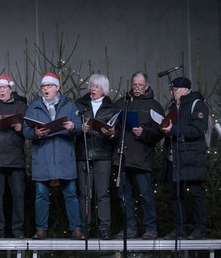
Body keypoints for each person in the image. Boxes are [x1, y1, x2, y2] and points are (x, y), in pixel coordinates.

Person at [23, 72, 84, 240]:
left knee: (70, 193)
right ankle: (41, 229)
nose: (45, 89)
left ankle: (76, 229)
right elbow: (26, 130)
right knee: (41, 195)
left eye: (49, 86)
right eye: (43, 86)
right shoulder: (34, 107)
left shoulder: (69, 106)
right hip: (43, 156)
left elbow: (79, 127)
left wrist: (72, 127)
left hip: (64, 156)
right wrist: (35, 133)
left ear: (57, 88)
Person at [112, 71, 165, 240]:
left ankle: (151, 228)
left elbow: (161, 132)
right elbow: (114, 126)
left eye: (140, 85)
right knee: (124, 196)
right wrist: (112, 132)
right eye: (134, 85)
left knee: (146, 196)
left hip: (143, 158)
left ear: (147, 86)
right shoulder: (121, 103)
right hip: (123, 158)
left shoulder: (154, 106)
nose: (136, 88)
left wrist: (144, 133)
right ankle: (130, 229)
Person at [160, 76, 209, 239]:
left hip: (191, 157)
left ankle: (200, 228)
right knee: (175, 194)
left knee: (195, 193)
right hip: (174, 157)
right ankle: (179, 229)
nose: (172, 93)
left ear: (185, 89)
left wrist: (173, 130)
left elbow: (197, 130)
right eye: (171, 90)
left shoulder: (197, 104)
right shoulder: (175, 106)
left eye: (174, 90)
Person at [74, 74, 120, 240]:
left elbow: (117, 134)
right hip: (83, 154)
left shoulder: (111, 108)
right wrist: (81, 129)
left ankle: (104, 229)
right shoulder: (79, 105)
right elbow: (72, 129)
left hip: (103, 155)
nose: (92, 89)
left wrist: (112, 133)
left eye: (97, 86)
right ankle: (85, 228)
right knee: (84, 194)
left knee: (103, 193)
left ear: (104, 90)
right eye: (91, 85)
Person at [0, 74, 28, 238]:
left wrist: (20, 127)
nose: (1, 91)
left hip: (15, 157)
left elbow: (30, 129)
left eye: (4, 88)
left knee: (18, 196)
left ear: (10, 89)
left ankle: (17, 230)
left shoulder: (21, 106)